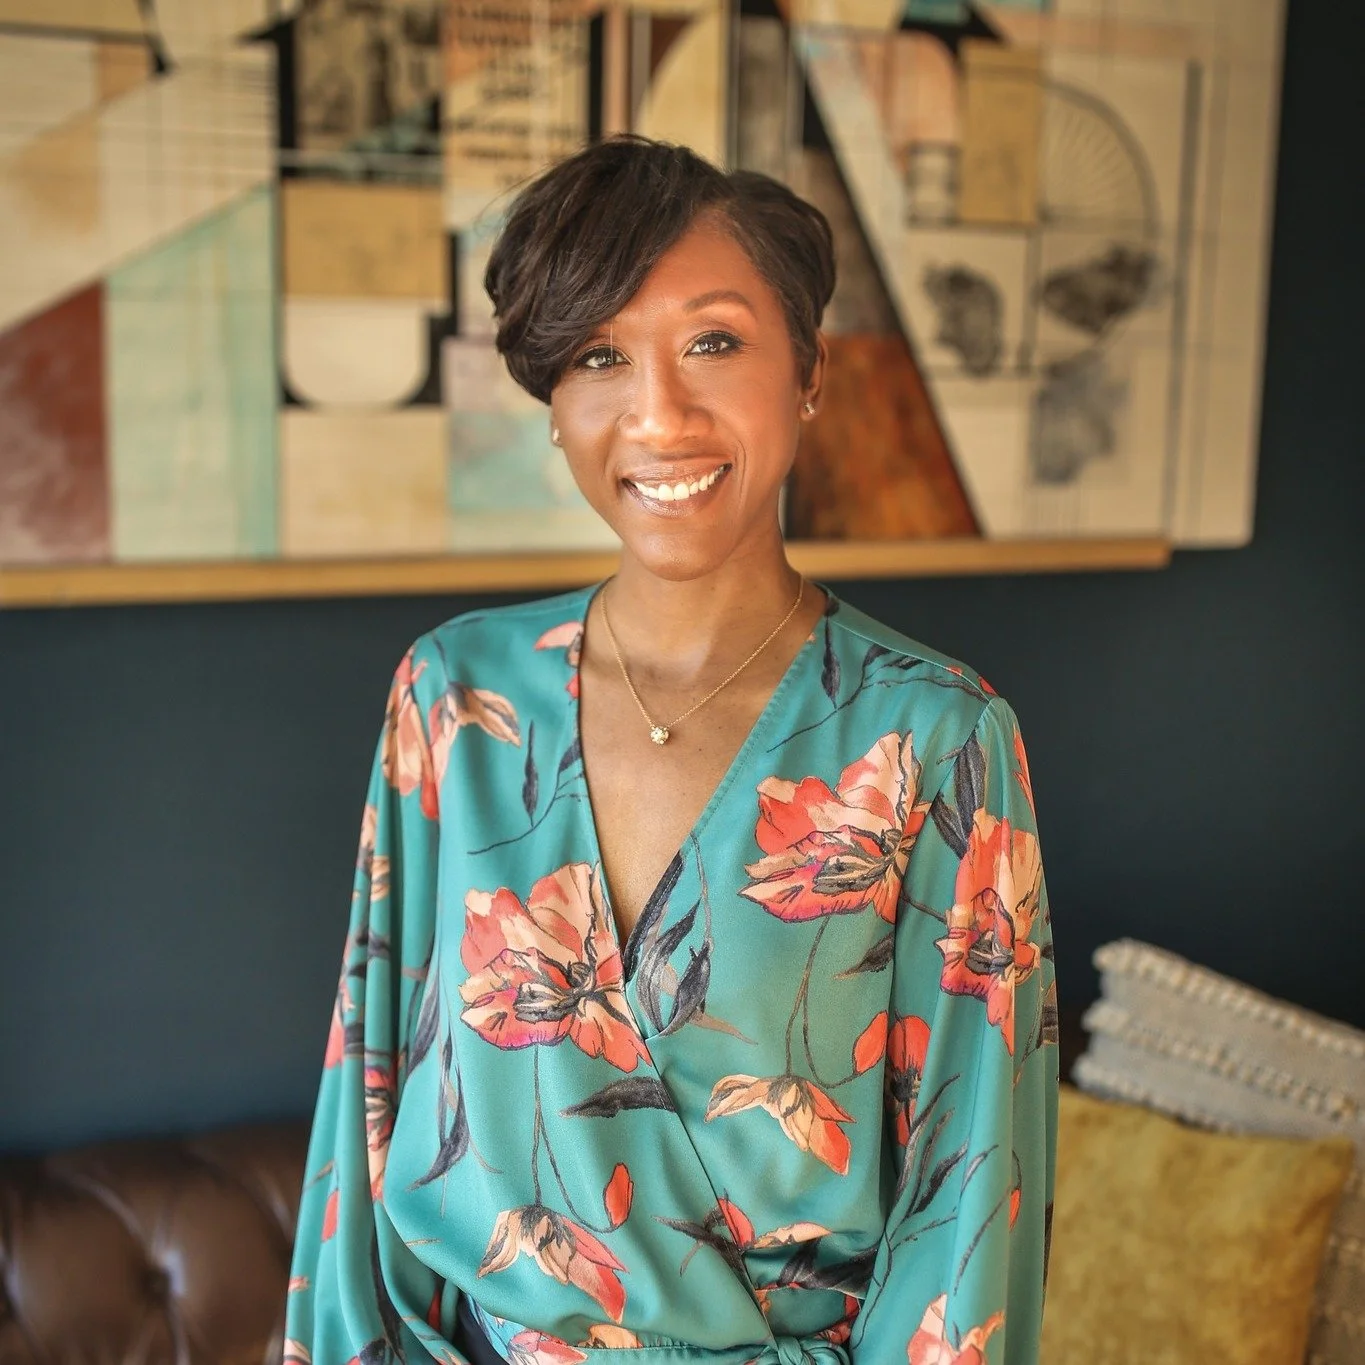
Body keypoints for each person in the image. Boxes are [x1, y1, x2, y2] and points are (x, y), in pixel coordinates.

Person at [284, 134, 1058, 1365]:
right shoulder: (454, 702)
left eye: (713, 342)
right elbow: (366, 1115)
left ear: (807, 373)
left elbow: (969, 1210)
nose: (658, 412)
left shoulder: (937, 738)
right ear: (555, 400)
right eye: (600, 356)